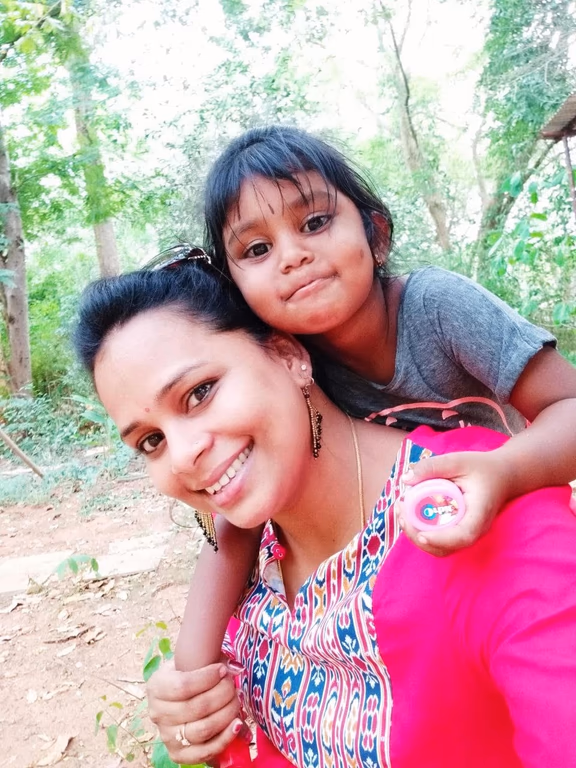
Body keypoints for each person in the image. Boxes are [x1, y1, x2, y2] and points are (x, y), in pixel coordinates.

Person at [74, 262, 576, 767]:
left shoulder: (480, 515)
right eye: (151, 441)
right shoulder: (253, 562)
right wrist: (194, 709)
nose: (181, 457)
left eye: (200, 392)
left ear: (289, 356)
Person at [168, 125, 576, 674]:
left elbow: (568, 405)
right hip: (408, 572)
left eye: (314, 222)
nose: (292, 256)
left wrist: (503, 472)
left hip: (518, 532)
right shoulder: (289, 372)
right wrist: (188, 669)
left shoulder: (438, 309)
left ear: (375, 234)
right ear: (237, 293)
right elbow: (238, 514)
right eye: (258, 249)